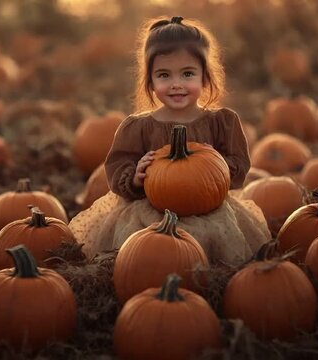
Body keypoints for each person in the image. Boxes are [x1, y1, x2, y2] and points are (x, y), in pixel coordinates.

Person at [69, 16, 270, 265]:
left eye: (187, 74)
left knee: (216, 251)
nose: (176, 84)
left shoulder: (221, 122)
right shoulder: (138, 128)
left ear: (205, 77)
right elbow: (117, 169)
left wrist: (217, 165)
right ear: (150, 81)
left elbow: (238, 166)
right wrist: (135, 176)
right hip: (152, 215)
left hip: (208, 212)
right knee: (146, 256)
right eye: (164, 75)